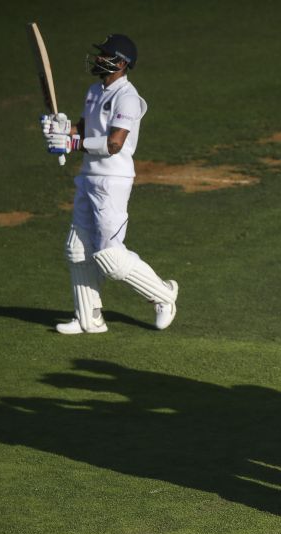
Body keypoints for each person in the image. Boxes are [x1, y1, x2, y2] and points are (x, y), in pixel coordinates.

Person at [41, 34, 177, 334]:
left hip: (113, 180)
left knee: (110, 257)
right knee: (77, 249)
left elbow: (114, 143)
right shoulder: (94, 90)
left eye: (106, 55)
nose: (99, 59)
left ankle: (164, 296)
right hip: (88, 176)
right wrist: (63, 128)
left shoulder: (127, 97)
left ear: (122, 63)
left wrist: (72, 144)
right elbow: (86, 127)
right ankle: (89, 319)